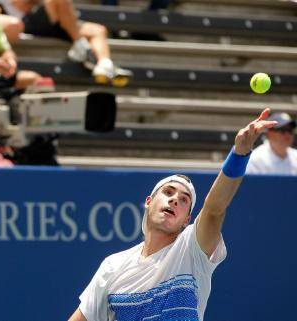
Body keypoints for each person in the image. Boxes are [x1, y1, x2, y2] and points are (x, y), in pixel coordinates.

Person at [68, 108, 276, 321]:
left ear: (187, 220)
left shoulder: (191, 251)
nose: (175, 199)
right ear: (149, 202)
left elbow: (214, 210)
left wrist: (239, 154)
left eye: (184, 200)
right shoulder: (113, 266)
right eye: (168, 192)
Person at [0, 0, 132, 86]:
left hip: (49, 19)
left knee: (98, 30)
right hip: (21, 22)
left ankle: (104, 65)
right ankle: (80, 44)